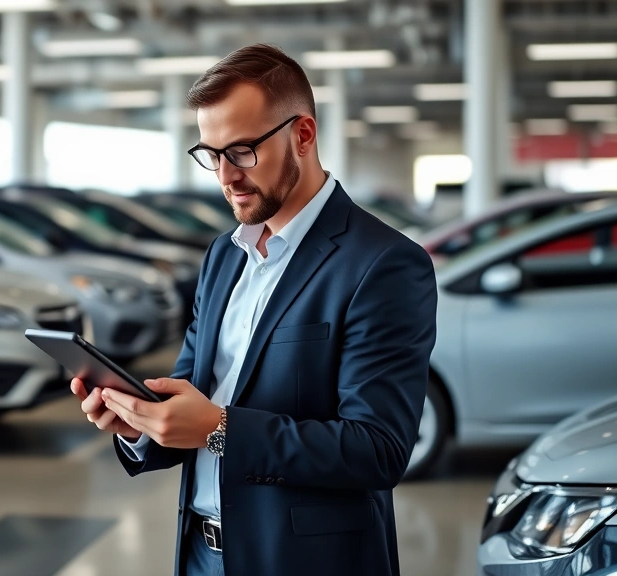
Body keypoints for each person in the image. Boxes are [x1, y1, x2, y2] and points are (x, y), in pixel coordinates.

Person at [70, 43, 437, 576]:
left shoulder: (384, 264)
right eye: (211, 154)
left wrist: (219, 428)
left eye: (242, 151)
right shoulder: (224, 255)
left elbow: (377, 450)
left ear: (303, 135)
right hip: (201, 555)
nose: (225, 175)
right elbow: (192, 394)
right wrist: (139, 423)